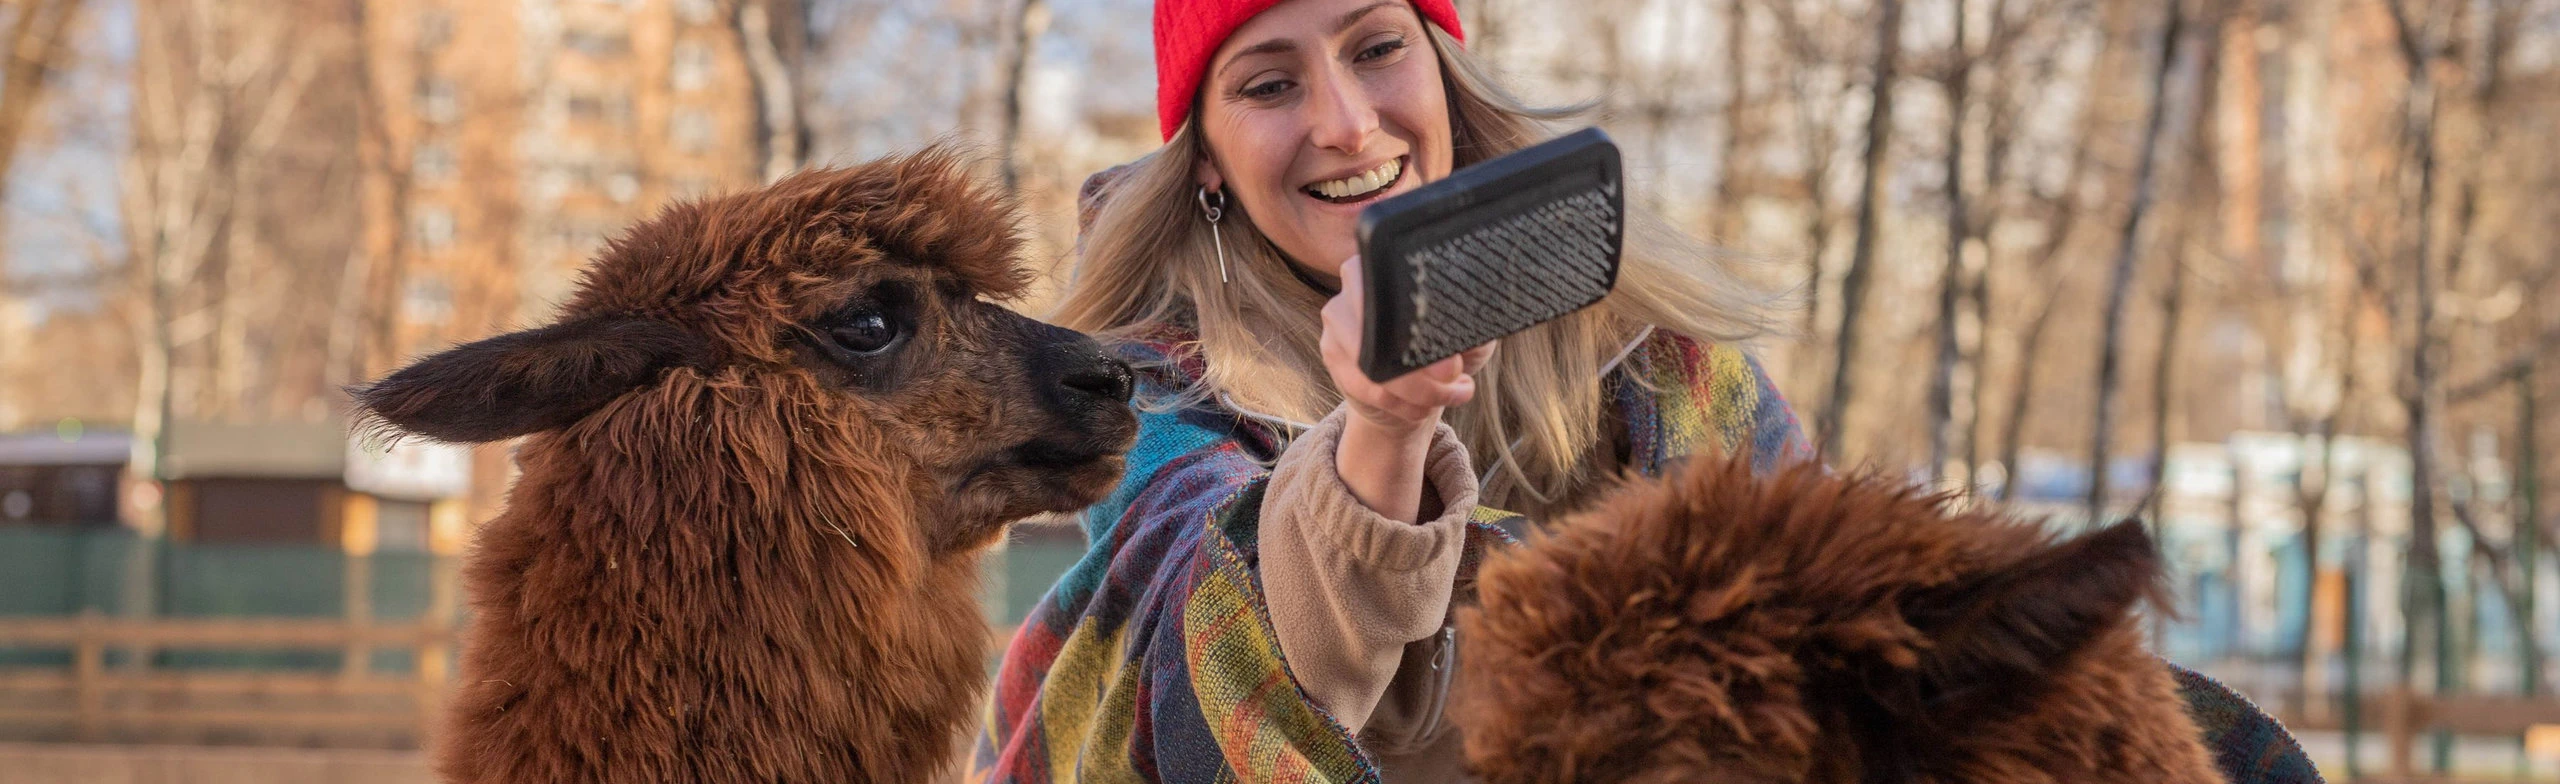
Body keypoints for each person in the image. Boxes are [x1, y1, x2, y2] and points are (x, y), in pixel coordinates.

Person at [970, 0, 2320, 781]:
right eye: (1269, 81)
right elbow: (1234, 679)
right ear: (1204, 157)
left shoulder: (1663, 369)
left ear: (1441, 67)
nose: (1343, 120)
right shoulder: (1147, 404)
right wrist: (1381, 425)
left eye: (1377, 45)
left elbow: (1833, 646)